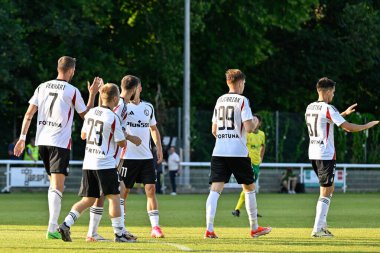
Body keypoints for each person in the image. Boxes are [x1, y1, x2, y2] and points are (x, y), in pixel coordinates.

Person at [13, 56, 101, 239]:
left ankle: (52, 226)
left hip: (42, 141)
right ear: (71, 71)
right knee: (57, 186)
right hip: (59, 143)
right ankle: (52, 228)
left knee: (53, 185)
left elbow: (29, 114)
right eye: (74, 71)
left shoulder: (42, 86)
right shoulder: (72, 90)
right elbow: (87, 117)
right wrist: (92, 94)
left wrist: (22, 138)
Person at [58, 83, 133, 242]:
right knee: (114, 197)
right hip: (105, 163)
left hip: (89, 163)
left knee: (88, 200)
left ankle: (66, 224)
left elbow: (83, 135)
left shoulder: (91, 113)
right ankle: (119, 234)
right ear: (114, 98)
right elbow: (122, 143)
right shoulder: (113, 117)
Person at [306, 77, 379, 237]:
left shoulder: (310, 107)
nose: (333, 95)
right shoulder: (328, 108)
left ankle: (322, 225)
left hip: (313, 152)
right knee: (326, 191)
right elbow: (348, 128)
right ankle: (317, 229)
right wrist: (367, 125)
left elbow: (325, 120)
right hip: (325, 153)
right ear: (328, 91)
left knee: (328, 188)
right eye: (333, 92)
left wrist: (343, 113)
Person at [205, 69, 272, 239]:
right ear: (241, 83)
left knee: (215, 190)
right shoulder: (243, 100)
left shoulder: (219, 100)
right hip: (238, 152)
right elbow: (249, 128)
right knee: (249, 187)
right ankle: (254, 228)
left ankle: (209, 229)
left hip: (219, 150)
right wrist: (256, 121)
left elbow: (213, 130)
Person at [86, 76, 142, 242]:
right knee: (117, 191)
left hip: (109, 158)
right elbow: (107, 121)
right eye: (139, 88)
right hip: (108, 158)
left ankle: (95, 232)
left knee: (104, 195)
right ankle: (119, 232)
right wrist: (132, 138)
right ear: (135, 88)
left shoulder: (120, 104)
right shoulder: (122, 106)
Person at [118, 75, 165, 238]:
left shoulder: (148, 107)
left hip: (146, 157)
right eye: (136, 87)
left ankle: (155, 227)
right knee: (124, 192)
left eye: (139, 87)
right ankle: (121, 227)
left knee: (151, 189)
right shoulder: (122, 107)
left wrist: (158, 147)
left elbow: (153, 128)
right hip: (128, 157)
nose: (138, 89)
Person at [232, 114, 265, 217]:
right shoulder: (247, 133)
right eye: (252, 120)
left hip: (256, 164)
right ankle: (238, 209)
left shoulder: (262, 134)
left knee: (250, 188)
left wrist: (261, 158)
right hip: (247, 163)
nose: (253, 122)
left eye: (255, 120)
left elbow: (263, 146)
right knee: (250, 187)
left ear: (259, 123)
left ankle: (241, 210)